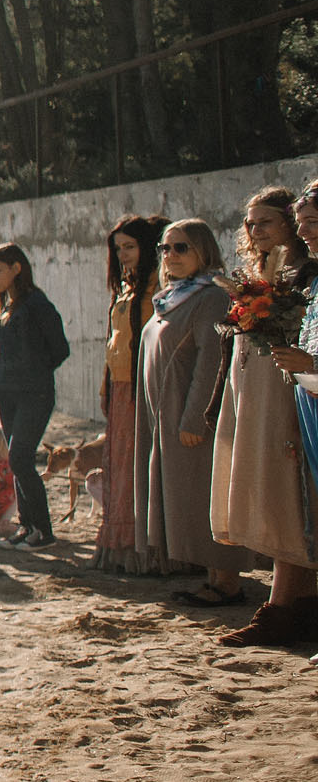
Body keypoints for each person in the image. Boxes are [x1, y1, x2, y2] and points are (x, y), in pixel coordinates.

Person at [209, 187, 318, 647]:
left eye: (265, 223)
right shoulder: (255, 275)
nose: (255, 232)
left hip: (292, 398)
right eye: (249, 224)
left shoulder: (304, 277)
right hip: (255, 396)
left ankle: (283, 608)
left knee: (290, 501)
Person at [137, 218, 235, 587]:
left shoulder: (211, 295)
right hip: (164, 414)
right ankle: (210, 578)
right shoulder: (173, 295)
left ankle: (226, 583)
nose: (171, 255)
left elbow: (211, 361)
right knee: (185, 496)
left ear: (203, 250)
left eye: (181, 247)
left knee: (203, 493)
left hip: (190, 416)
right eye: (165, 248)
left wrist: (195, 417)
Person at [256, 183, 318, 639]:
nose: (305, 234)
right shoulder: (313, 281)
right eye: (302, 225)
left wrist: (312, 364)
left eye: (312, 223)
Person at [0, 244, 70, 550]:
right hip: (6, 392)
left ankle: (43, 532)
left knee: (21, 457)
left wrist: (34, 372)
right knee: (15, 461)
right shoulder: (5, 306)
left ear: (16, 268)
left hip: (34, 392)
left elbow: (60, 348)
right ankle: (27, 526)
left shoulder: (36, 303)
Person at [95, 215, 168, 573]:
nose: (123, 254)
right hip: (121, 388)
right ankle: (123, 547)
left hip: (144, 389)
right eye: (119, 247)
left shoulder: (158, 287)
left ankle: (151, 552)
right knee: (122, 469)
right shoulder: (126, 287)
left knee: (142, 469)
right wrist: (105, 386)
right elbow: (114, 343)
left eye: (130, 246)